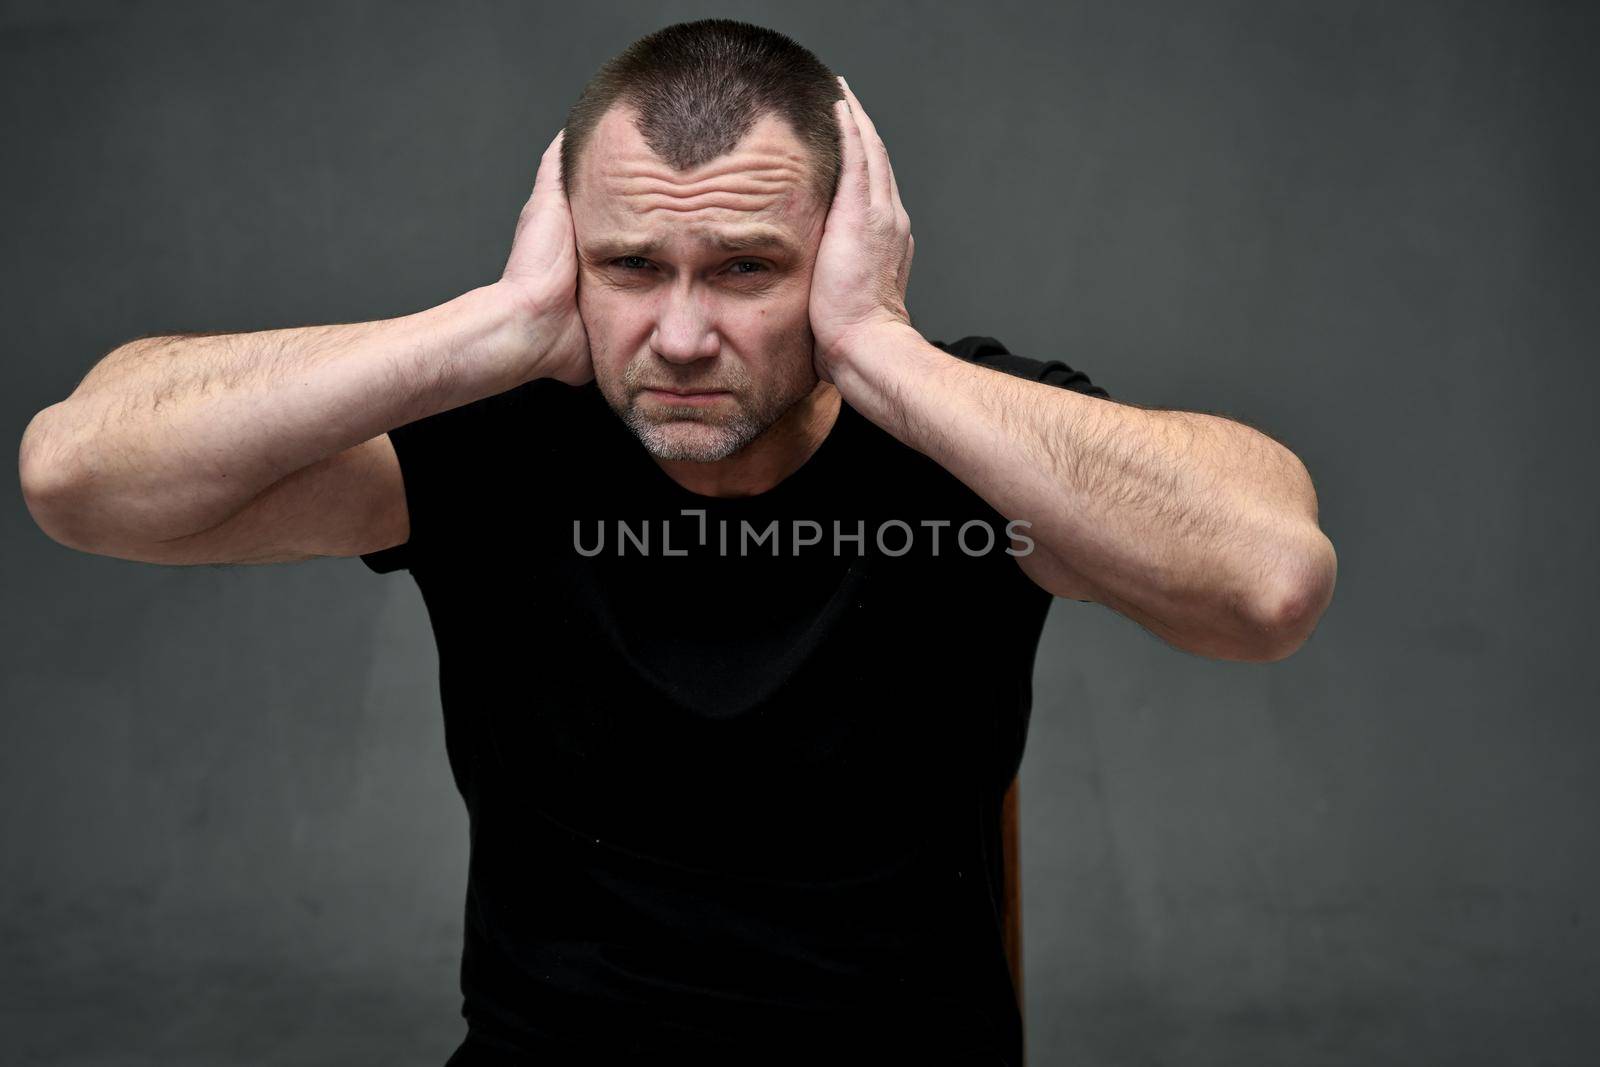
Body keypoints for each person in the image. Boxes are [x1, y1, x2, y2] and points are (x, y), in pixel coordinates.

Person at [17, 17, 1336, 1067]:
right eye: (633, 267)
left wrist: (881, 348)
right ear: (569, 260)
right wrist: (489, 329)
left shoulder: (972, 442)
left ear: (838, 254)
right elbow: (77, 476)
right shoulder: (499, 431)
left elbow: (1268, 580)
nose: (684, 334)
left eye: (749, 269)